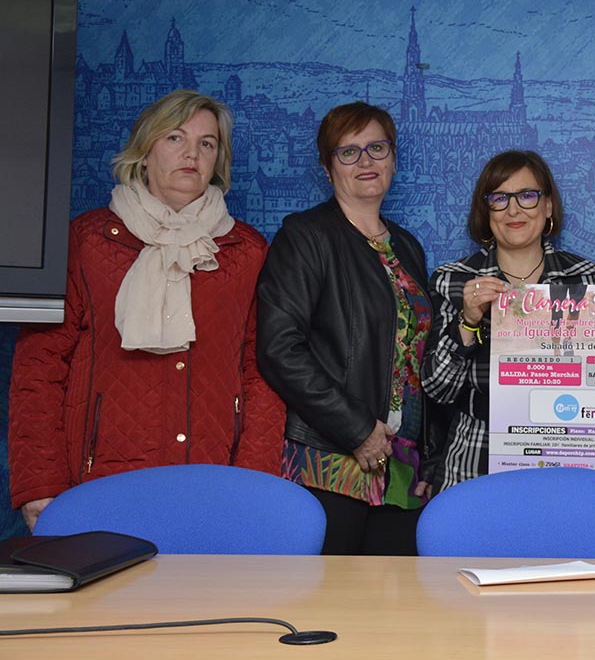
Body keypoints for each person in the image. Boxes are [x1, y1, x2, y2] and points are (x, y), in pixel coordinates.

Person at [8, 90, 284, 531]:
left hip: (214, 482)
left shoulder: (245, 252)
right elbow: (39, 369)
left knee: (207, 602)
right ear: (146, 148)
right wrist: (39, 481)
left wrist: (252, 479)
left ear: (219, 160)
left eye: (207, 143)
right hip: (96, 483)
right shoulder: (86, 241)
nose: (192, 153)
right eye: (176, 138)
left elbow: (263, 373)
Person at [256, 102, 433, 555]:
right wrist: (356, 429)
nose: (366, 162)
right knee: (328, 605)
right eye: (348, 152)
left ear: (393, 157)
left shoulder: (406, 245)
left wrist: (426, 457)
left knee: (394, 610)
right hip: (333, 459)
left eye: (376, 147)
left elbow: (415, 359)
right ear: (327, 166)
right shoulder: (305, 236)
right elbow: (280, 348)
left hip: (400, 464)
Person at [421, 150, 595, 493]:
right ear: (486, 211)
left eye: (528, 196)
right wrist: (468, 320)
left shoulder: (585, 277)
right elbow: (437, 389)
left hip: (566, 451)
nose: (514, 209)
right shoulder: (453, 279)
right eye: (500, 198)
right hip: (476, 454)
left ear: (548, 207)